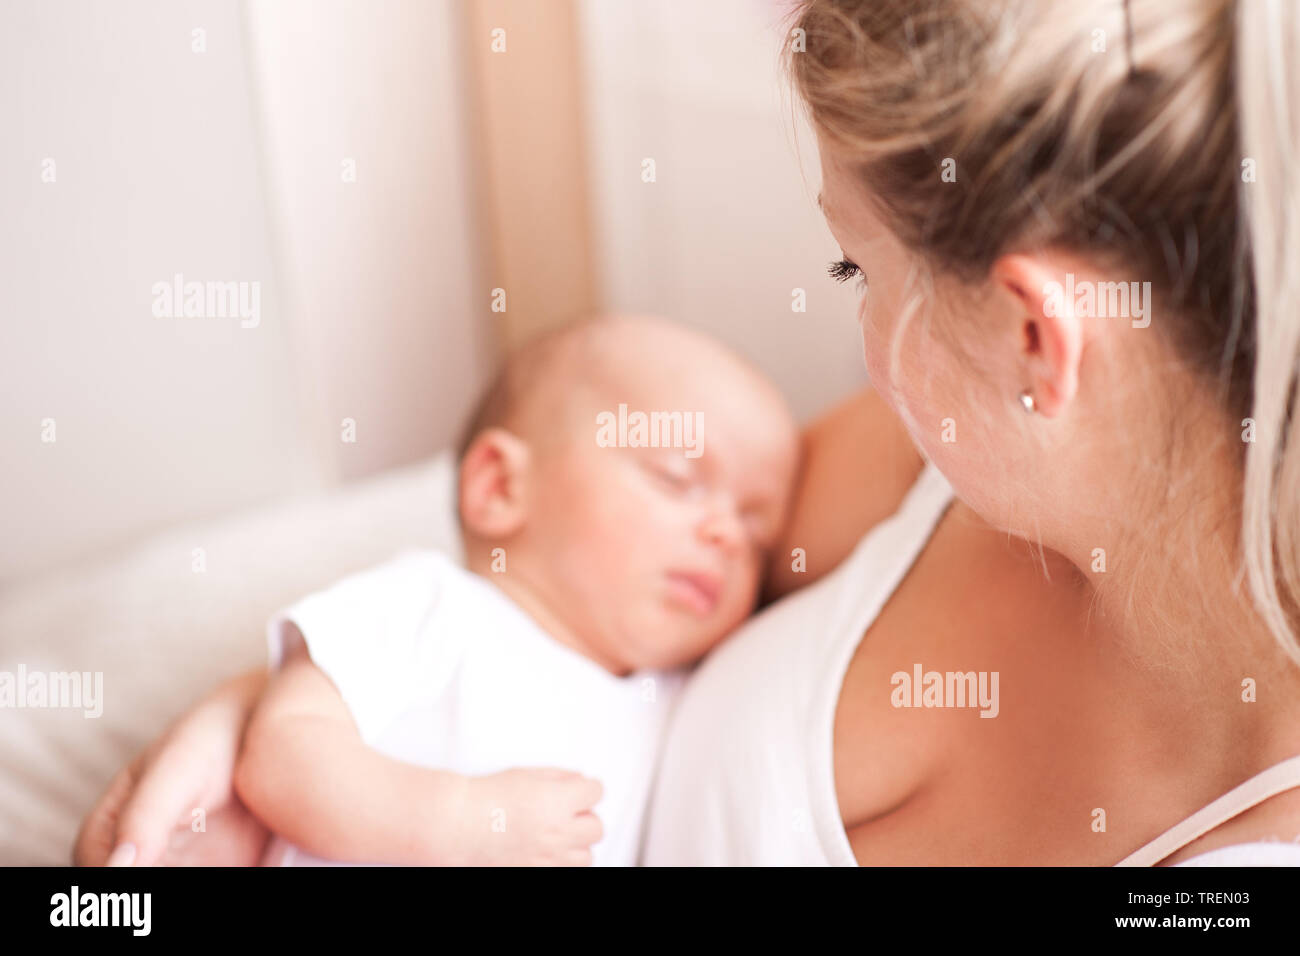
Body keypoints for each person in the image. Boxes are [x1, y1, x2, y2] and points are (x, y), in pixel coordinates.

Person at [77, 0, 1300, 867]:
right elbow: (556, 568)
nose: (865, 349)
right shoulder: (921, 467)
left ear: (1037, 338)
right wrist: (284, 712)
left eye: (855, 266)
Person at [236, 317, 797, 866]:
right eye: (675, 478)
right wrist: (460, 821)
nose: (727, 536)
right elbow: (282, 756)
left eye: (758, 535)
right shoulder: (429, 606)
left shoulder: (683, 704)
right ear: (501, 486)